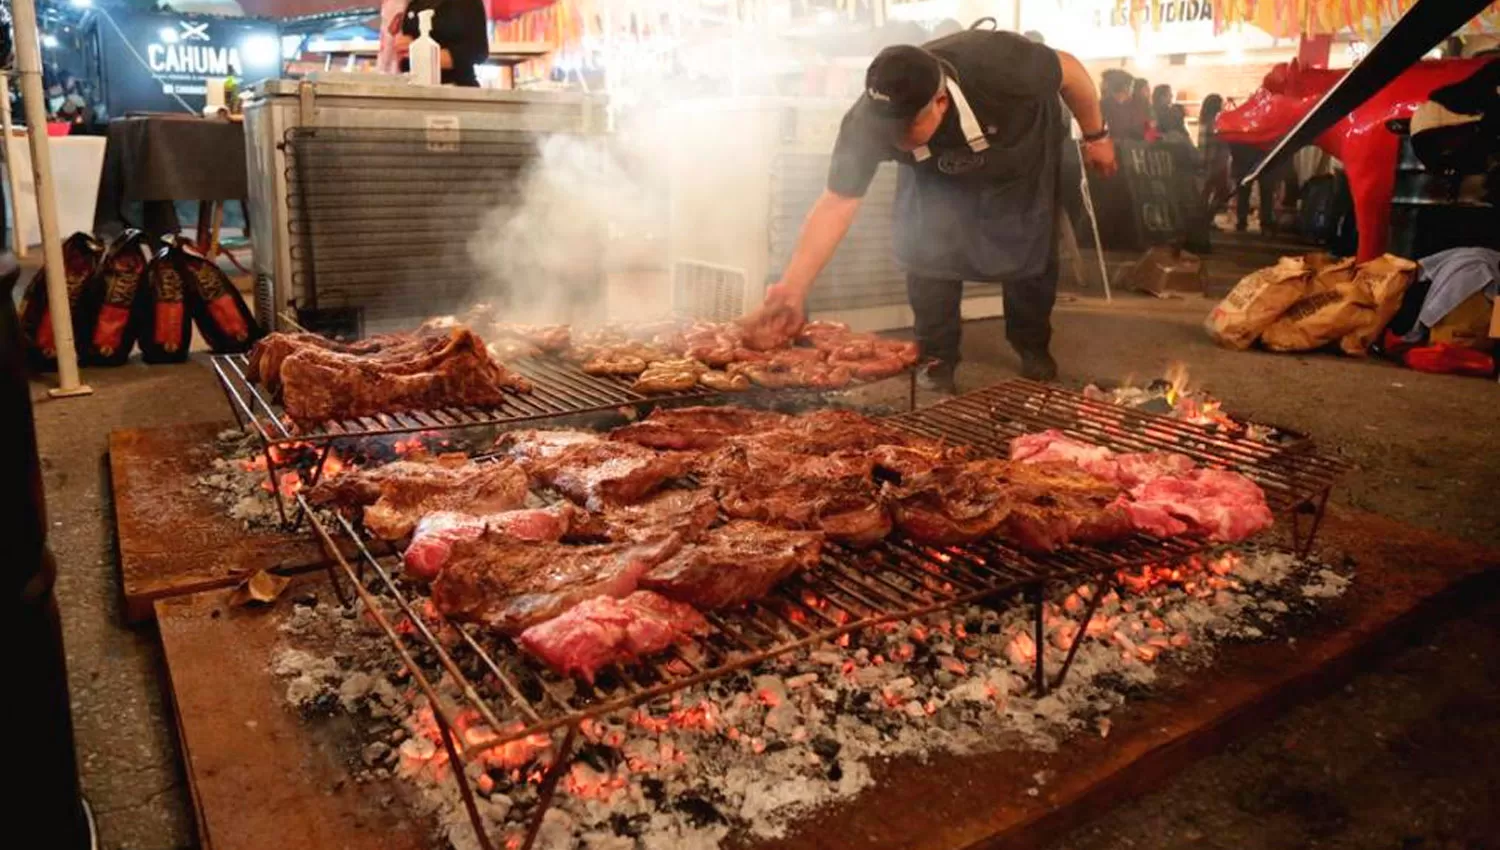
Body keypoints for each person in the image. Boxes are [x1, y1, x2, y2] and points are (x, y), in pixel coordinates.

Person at [749, 25, 1117, 389]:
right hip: (937, 170)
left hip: (1018, 150)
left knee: (1027, 248)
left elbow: (1070, 71)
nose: (894, 140)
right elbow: (837, 203)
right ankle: (937, 358)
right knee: (925, 247)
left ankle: (1032, 346)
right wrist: (794, 287)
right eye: (887, 130)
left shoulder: (1003, 65)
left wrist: (1096, 135)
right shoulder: (865, 123)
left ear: (940, 102)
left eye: (906, 128)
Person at [394, 0, 489, 87]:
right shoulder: (415, 4)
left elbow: (478, 50)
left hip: (456, 88)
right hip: (416, 88)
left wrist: (425, 55)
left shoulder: (466, 3)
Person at [1199, 94, 1235, 219]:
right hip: (1217, 163)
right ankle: (1207, 217)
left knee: (1207, 191)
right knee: (1221, 191)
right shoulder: (1216, 123)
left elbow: (1203, 146)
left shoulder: (1205, 122)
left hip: (1211, 163)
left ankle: (1204, 218)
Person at [1099, 69, 1141, 141]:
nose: (1133, 90)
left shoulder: (1131, 106)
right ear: (1125, 87)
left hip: (1125, 147)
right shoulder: (1104, 106)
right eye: (1132, 86)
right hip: (1110, 147)